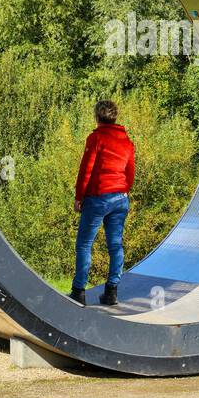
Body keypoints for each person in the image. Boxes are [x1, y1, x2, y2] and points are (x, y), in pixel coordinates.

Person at [69, 100, 135, 306]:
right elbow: (130, 173)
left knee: (84, 244)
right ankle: (111, 292)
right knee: (115, 245)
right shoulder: (127, 142)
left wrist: (79, 196)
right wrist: (123, 190)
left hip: (98, 197)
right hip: (120, 198)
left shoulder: (96, 138)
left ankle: (79, 291)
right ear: (115, 117)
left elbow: (86, 170)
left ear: (97, 117)